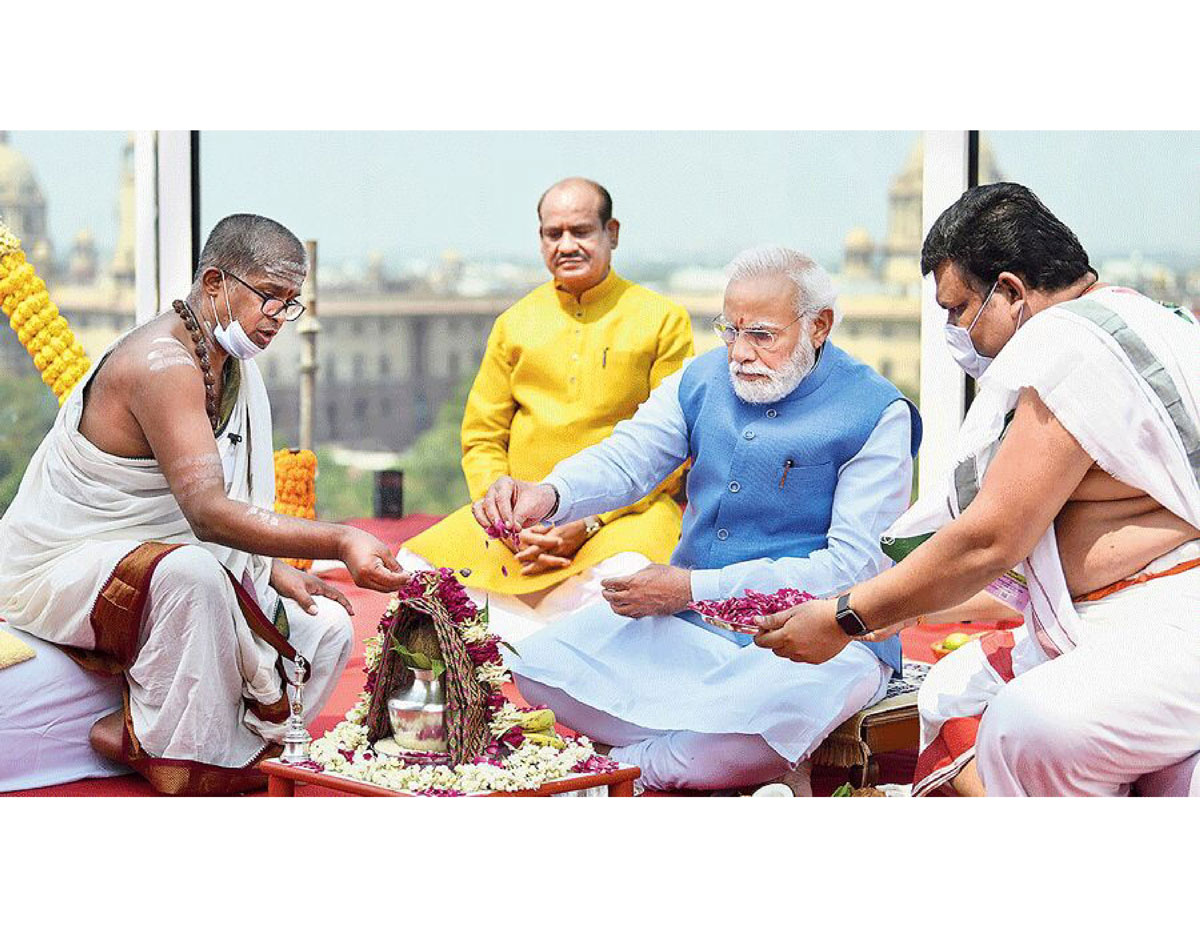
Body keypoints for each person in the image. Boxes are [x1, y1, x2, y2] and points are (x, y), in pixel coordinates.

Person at [753, 183, 1200, 797]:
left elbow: (990, 539)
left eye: (958, 309)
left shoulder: (1069, 346)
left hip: (1168, 618)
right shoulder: (1140, 316)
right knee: (950, 686)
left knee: (1028, 726)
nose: (954, 331)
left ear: (1011, 292)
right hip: (1119, 609)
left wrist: (847, 617)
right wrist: (893, 603)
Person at [474, 246, 921, 792]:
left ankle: (626, 767)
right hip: (687, 625)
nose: (740, 353)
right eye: (729, 331)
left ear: (819, 326)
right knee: (535, 665)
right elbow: (629, 458)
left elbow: (852, 570)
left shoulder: (877, 412)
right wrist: (549, 493)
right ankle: (684, 757)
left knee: (766, 726)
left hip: (814, 636)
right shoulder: (703, 378)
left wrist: (691, 589)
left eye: (761, 335)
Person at [0, 214, 408, 795]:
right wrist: (340, 539)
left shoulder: (233, 367)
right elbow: (208, 513)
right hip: (62, 566)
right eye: (269, 296)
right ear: (214, 282)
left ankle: (171, 735)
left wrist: (266, 568)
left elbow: (219, 508)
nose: (278, 318)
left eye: (290, 303)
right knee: (191, 575)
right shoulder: (159, 363)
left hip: (175, 556)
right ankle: (177, 755)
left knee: (328, 627)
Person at [402, 178, 693, 641]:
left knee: (626, 579)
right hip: (520, 525)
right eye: (552, 233)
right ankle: (539, 647)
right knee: (413, 568)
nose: (566, 245)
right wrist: (503, 512)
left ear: (611, 233)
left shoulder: (661, 320)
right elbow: (482, 437)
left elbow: (675, 448)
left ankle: (530, 648)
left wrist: (588, 520)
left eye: (581, 231)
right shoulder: (515, 323)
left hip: (623, 517)